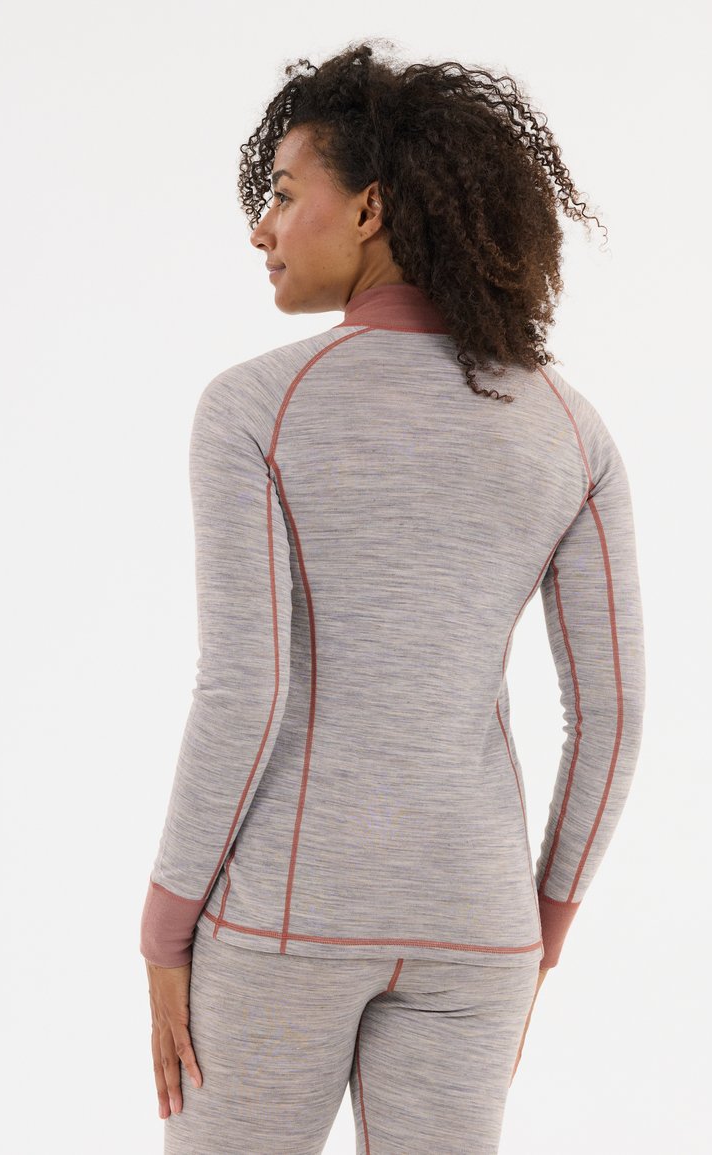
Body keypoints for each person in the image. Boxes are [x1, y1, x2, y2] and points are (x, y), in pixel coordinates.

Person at [140, 39, 646, 1155]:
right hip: (478, 928)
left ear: (369, 208)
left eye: (284, 193)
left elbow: (247, 687)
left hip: (286, 914)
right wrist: (540, 926)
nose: (261, 228)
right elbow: (612, 720)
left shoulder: (254, 407)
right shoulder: (571, 431)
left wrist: (164, 927)